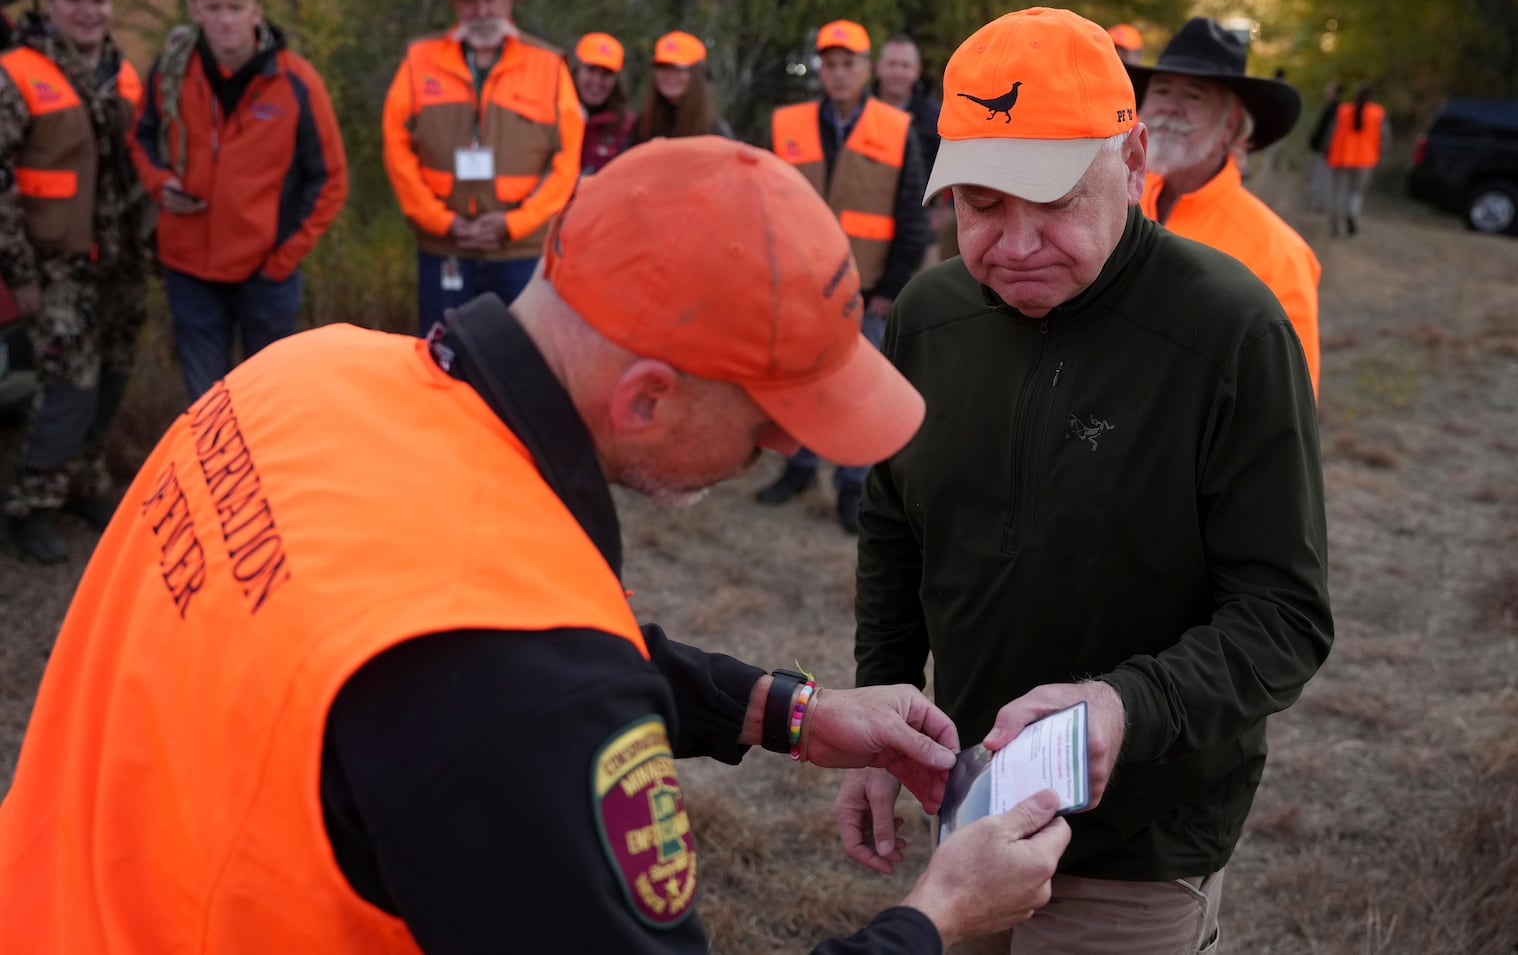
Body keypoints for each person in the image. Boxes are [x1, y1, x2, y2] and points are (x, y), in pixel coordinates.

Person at [0, 137, 1072, 954]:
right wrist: (936, 913)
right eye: (772, 415)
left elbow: (443, 638)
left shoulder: (311, 375)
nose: (787, 444)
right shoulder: (518, 676)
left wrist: (781, 709)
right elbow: (507, 675)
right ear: (648, 398)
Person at [838, 7, 1333, 954]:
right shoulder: (932, 317)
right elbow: (895, 526)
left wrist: (1125, 705)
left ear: (1135, 158)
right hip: (965, 813)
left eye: (1057, 200)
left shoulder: (1231, 331)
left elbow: (1285, 614)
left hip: (1141, 845)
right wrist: (883, 709)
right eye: (982, 204)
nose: (1016, 244)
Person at [132, 0, 347, 402]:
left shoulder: (296, 82)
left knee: (266, 402)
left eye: (235, 6)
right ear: (195, 10)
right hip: (189, 269)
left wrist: (282, 259)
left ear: (256, 9)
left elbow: (329, 180)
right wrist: (159, 183)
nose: (225, 19)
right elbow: (141, 136)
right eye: (213, 7)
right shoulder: (171, 71)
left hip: (264, 277)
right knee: (206, 405)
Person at [0, 0, 153, 564]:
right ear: (49, 2)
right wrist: (19, 272)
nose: (88, 10)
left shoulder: (126, 72)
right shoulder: (16, 73)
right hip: (56, 266)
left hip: (120, 263)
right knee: (70, 384)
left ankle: (84, 482)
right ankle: (29, 504)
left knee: (113, 374)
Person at [758, 19, 931, 534]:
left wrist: (890, 289)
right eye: (829, 64)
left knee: (856, 393)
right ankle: (800, 469)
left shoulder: (896, 128)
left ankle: (854, 483)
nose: (838, 74)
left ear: (868, 69)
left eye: (848, 64)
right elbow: (766, 203)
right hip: (800, 287)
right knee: (803, 384)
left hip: (865, 291)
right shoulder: (787, 123)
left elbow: (912, 218)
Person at [382, 0, 583, 334]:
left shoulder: (548, 65)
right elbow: (395, 148)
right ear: (454, 4)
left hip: (522, 253)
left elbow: (567, 160)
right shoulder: (419, 61)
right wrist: (443, 222)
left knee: (523, 363)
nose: (482, 10)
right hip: (445, 252)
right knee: (442, 361)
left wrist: (515, 224)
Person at [1128, 17, 1322, 395]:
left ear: (1230, 127)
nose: (1171, 108)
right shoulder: (1113, 206)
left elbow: (1287, 401)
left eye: (1195, 96)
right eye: (1162, 90)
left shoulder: (1278, 254)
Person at [872, 32, 953, 263]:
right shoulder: (859, 114)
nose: (898, 72)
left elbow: (960, 165)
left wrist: (950, 209)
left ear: (916, 71)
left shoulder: (936, 118)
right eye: (892, 64)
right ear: (878, 67)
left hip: (918, 233)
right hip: (867, 229)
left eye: (905, 65)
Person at [630, 30, 732, 143]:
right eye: (663, 67)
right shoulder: (641, 126)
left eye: (678, 68)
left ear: (696, 74)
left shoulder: (713, 131)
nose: (670, 75)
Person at [1325, 83, 1388, 236]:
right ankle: (1351, 214)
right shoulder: (1377, 112)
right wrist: (1383, 154)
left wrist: (1326, 149)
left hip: (1341, 157)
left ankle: (1335, 223)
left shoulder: (1343, 110)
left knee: (1338, 192)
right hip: (1365, 160)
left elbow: (1331, 132)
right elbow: (1385, 136)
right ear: (1371, 97)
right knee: (1356, 193)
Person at [572, 31, 633, 174]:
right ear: (577, 70)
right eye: (591, 70)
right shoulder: (552, 112)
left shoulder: (626, 126)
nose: (596, 81)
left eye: (605, 74)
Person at [1306, 81, 1343, 214]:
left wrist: (1327, 147)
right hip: (1323, 149)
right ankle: (1318, 203)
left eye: (1329, 91)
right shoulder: (1330, 108)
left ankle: (1321, 205)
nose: (1327, 93)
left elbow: (1331, 132)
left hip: (1327, 150)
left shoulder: (1336, 109)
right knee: (1320, 177)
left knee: (1324, 178)